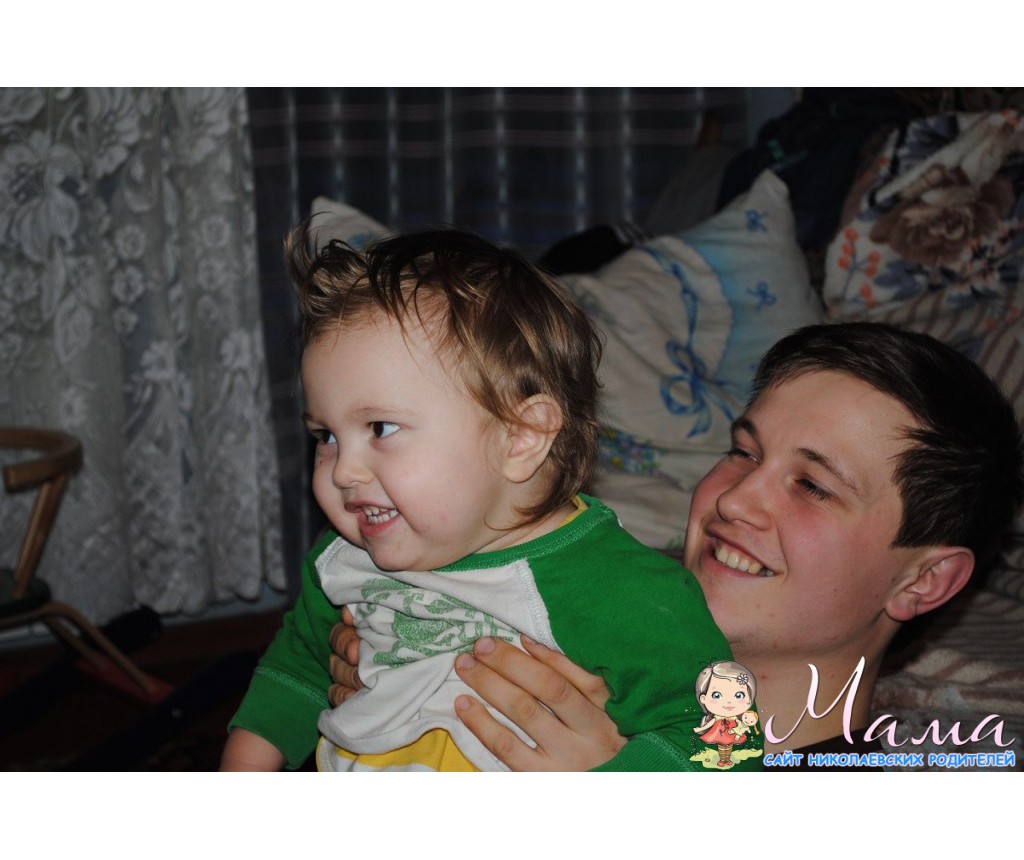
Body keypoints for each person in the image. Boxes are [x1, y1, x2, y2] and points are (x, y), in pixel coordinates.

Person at [330, 321, 1024, 770]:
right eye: (743, 452)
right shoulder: (541, 623)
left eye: (813, 486)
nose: (734, 499)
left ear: (922, 581)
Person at [221, 228, 755, 772]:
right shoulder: (343, 558)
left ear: (520, 438)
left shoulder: (626, 592)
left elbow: (727, 746)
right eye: (326, 436)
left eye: (380, 427)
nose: (344, 471)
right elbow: (295, 671)